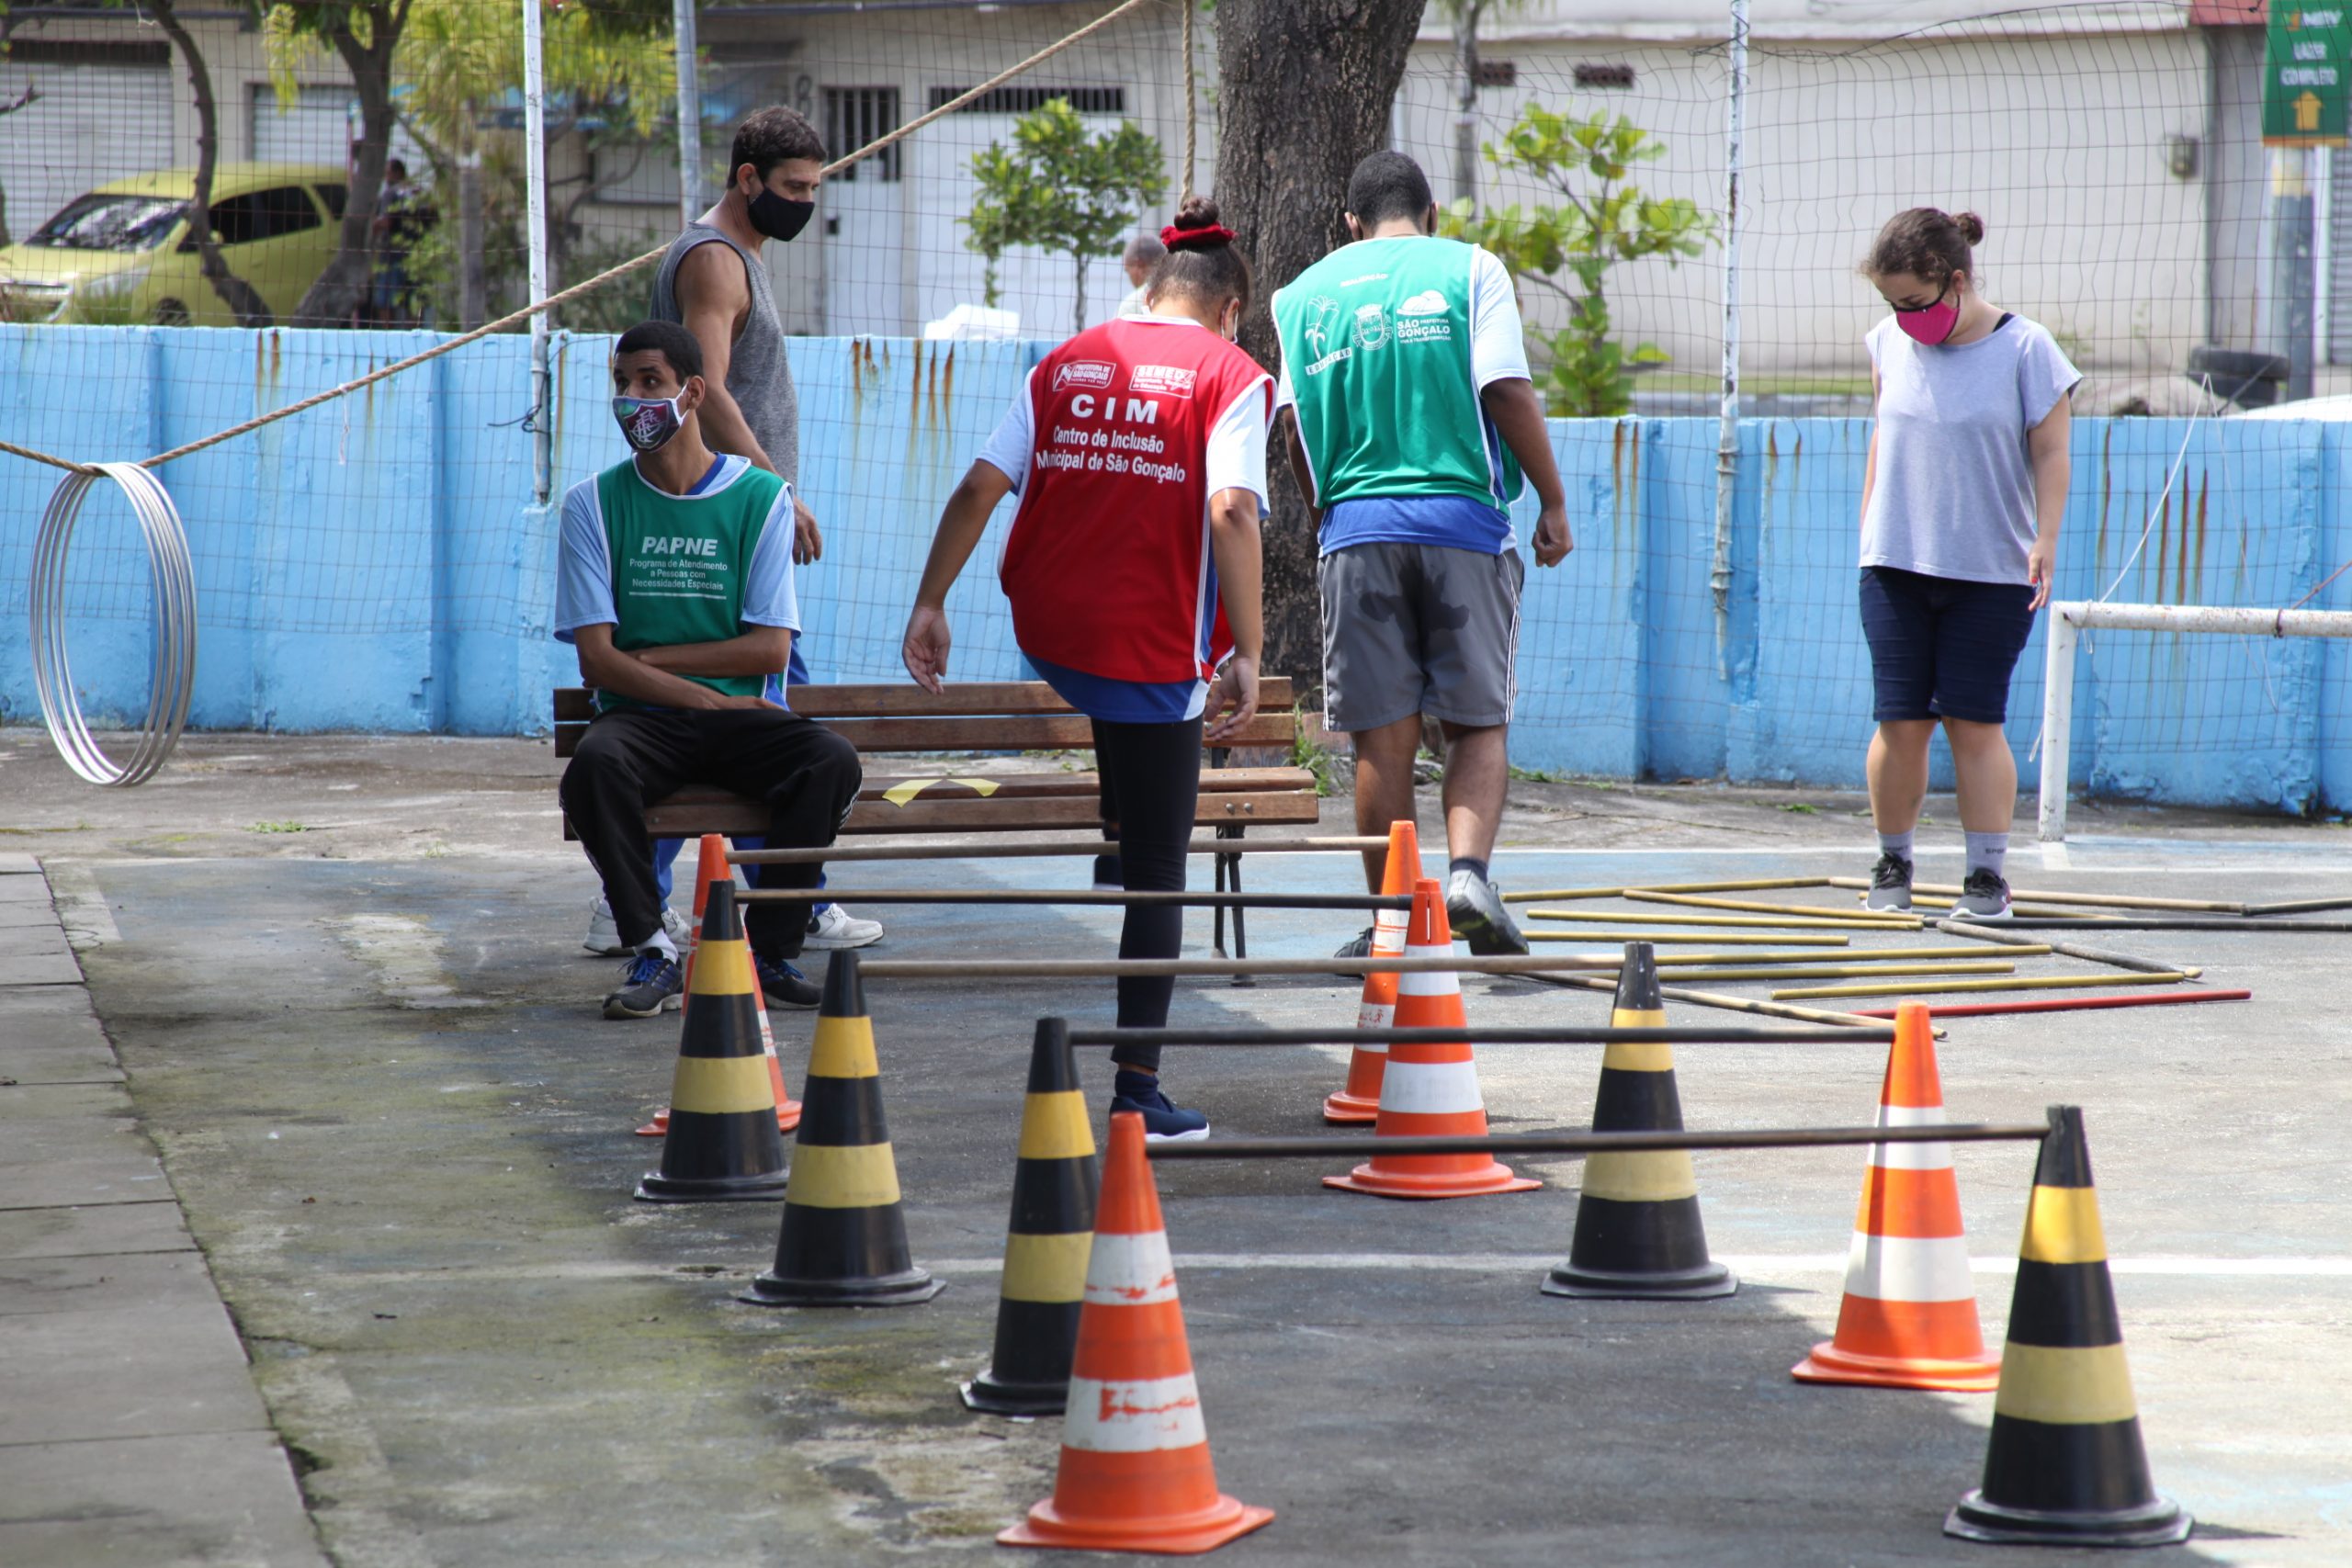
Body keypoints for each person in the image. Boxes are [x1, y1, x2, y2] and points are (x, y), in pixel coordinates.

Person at [901, 197, 1271, 1142]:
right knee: (1161, 873)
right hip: (1146, 657)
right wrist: (1250, 651)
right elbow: (1231, 512)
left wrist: (930, 602)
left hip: (1052, 633)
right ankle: (1138, 1092)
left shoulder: (1066, 360)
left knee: (1126, 729)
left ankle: (1118, 812)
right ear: (1229, 309)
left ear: (1146, 288)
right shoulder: (1232, 374)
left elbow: (980, 485)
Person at [1271, 150, 1571, 957]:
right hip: (1463, 525)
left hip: (1356, 531)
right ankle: (1469, 877)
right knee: (1476, 722)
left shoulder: (1299, 298)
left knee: (1381, 735)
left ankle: (1390, 925)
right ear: (1431, 211)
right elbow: (1505, 387)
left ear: (1349, 224)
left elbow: (1295, 428)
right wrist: (1553, 498)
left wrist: (1322, 513)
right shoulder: (1473, 269)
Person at [556, 321, 863, 1020]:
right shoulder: (591, 505)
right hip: (646, 722)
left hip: (739, 726)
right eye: (622, 384)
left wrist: (655, 658)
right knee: (594, 768)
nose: (632, 399)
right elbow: (598, 661)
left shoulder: (760, 499)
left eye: (650, 382)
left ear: (692, 393)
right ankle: (652, 948)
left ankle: (771, 951)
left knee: (830, 761)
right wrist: (714, 701)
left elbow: (767, 651)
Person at [639, 104, 883, 954]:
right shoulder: (714, 260)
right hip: (735, 513)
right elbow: (706, 385)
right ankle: (798, 900)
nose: (806, 202)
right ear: (747, 179)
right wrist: (776, 490)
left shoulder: (741, 254)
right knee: (777, 718)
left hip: (740, 508)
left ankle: (635, 895)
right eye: (793, 187)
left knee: (745, 713)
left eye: (815, 187)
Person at [1856, 209, 2075, 920]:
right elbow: (1882, 440)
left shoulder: (2027, 347)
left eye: (1916, 302)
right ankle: (1894, 862)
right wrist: (1869, 536)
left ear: (1955, 280)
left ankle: (1986, 882)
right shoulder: (1888, 342)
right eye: (1893, 303)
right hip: (1894, 566)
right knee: (1899, 721)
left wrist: (2044, 538)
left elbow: (2051, 451)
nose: (1905, 317)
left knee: (1974, 722)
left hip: (1990, 571)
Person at [368, 160, 434, 328]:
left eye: (388, 174)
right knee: (414, 299)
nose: (386, 178)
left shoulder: (391, 193)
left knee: (384, 299)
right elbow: (432, 218)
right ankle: (415, 334)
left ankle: (388, 335)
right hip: (417, 255)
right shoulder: (418, 192)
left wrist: (373, 227)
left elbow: (386, 222)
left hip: (392, 255)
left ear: (398, 173)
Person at [1114, 232, 1164, 319]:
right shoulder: (1186, 292)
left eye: (1127, 270)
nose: (1129, 277)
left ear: (1140, 265)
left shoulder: (1130, 305)